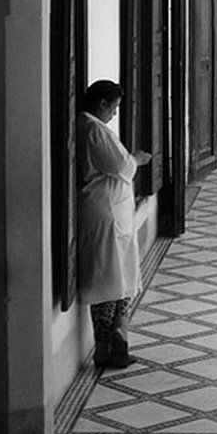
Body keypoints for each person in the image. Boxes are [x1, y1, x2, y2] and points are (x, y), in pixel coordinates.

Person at [76, 80, 149, 369]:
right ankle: (105, 346)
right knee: (108, 280)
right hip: (104, 213)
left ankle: (117, 339)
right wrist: (138, 159)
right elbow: (121, 166)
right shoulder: (93, 128)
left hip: (114, 213)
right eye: (114, 107)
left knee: (120, 278)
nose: (115, 114)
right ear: (102, 103)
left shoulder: (91, 126)